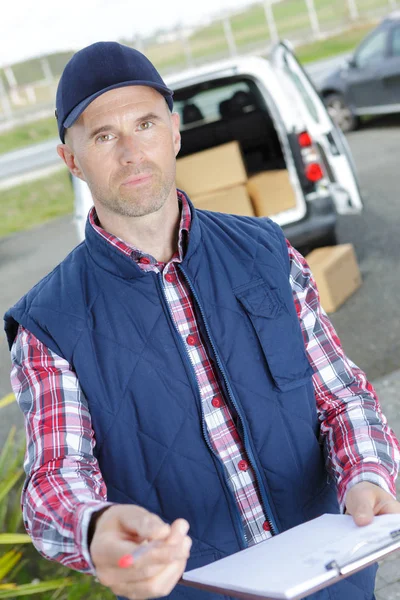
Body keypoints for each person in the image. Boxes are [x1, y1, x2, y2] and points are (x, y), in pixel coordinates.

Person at [4, 41, 400, 600]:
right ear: (72, 160)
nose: (131, 152)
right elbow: (54, 480)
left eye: (144, 124)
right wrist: (94, 531)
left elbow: (343, 397)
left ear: (174, 130)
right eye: (103, 135)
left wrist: (365, 474)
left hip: (335, 580)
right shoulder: (49, 323)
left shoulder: (268, 252)